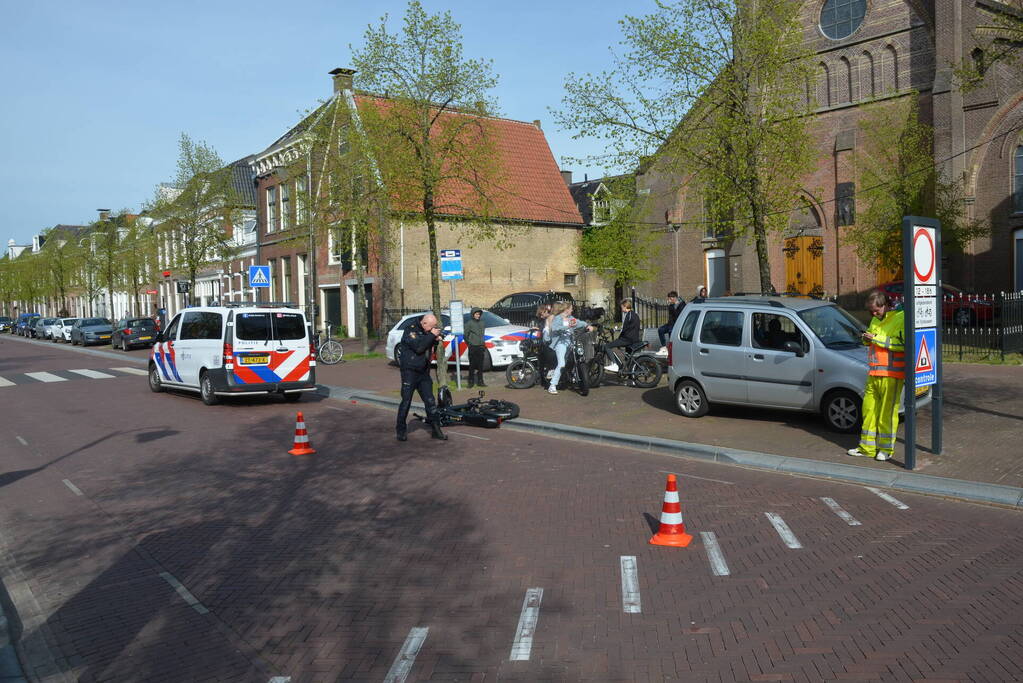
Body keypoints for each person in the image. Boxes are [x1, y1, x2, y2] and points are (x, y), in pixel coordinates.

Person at [848, 290, 905, 462]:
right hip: (874, 372)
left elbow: (903, 344)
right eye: (871, 311)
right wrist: (866, 339)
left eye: (876, 310)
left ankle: (886, 449)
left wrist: (876, 338)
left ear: (886, 305)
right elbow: (874, 341)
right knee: (869, 410)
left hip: (891, 374)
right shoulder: (875, 319)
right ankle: (867, 447)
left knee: (887, 414)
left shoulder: (901, 318)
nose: (873, 314)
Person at [396, 313, 448, 442]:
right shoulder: (410, 329)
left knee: (430, 401)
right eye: (430, 327)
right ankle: (401, 430)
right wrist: (431, 335)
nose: (431, 330)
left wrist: (436, 339)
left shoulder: (427, 330)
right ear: (424, 323)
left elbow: (429, 344)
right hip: (410, 371)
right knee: (406, 401)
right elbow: (419, 348)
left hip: (423, 372)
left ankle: (436, 430)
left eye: (433, 328)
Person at [547, 301, 579, 394]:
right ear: (566, 309)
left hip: (570, 343)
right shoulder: (558, 318)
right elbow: (555, 328)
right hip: (560, 343)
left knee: (574, 360)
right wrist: (567, 326)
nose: (572, 310)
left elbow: (578, 323)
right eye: (571, 308)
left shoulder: (571, 318)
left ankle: (574, 378)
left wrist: (587, 325)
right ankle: (552, 385)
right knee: (561, 364)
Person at [604, 299, 641, 372]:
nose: (621, 309)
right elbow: (629, 328)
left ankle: (615, 364)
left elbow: (625, 329)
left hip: (628, 339)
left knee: (607, 346)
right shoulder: (634, 314)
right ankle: (630, 373)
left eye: (622, 307)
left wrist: (619, 338)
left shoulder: (629, 315)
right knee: (628, 357)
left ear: (625, 306)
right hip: (633, 338)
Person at [465, 307, 487, 388]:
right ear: (473, 315)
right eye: (476, 314)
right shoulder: (469, 323)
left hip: (481, 346)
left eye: (479, 314)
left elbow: (482, 334)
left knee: (480, 366)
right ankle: (471, 382)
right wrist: (470, 343)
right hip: (473, 347)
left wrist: (482, 344)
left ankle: (480, 381)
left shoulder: (482, 323)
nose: (478, 315)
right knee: (472, 365)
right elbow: (465, 335)